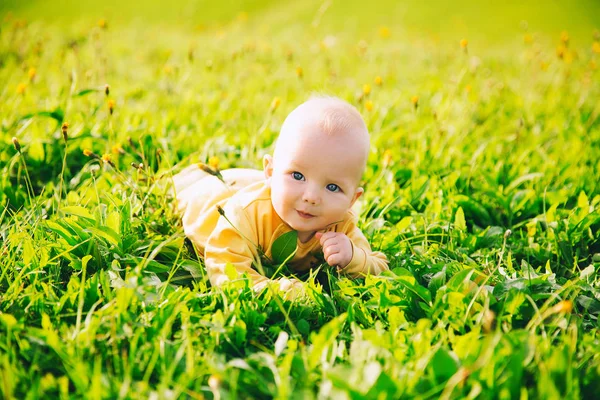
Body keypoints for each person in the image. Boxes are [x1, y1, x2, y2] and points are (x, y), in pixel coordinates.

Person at [174, 96, 389, 297]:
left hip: (259, 185)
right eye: (298, 175)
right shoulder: (245, 213)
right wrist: (278, 291)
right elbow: (225, 267)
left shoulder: (342, 225)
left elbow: (380, 268)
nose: (311, 197)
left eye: (332, 187)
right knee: (182, 186)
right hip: (208, 197)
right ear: (271, 172)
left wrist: (353, 257)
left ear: (352, 199)